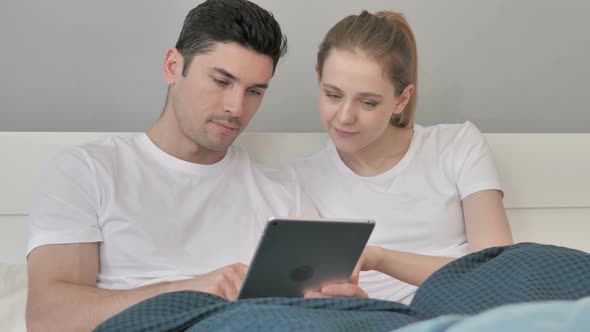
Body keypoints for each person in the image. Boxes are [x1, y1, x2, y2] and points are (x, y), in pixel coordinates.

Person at [25, 0, 316, 330]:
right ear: (173, 67)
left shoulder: (284, 194)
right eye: (221, 81)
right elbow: (48, 318)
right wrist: (189, 291)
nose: (236, 107)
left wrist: (335, 302)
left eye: (254, 91)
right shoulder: (87, 172)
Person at [295, 10, 513, 303]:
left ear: (402, 99)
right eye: (333, 95)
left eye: (368, 102)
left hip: (465, 308)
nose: (345, 117)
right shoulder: (301, 181)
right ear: (318, 79)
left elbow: (499, 268)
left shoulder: (458, 145)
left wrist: (379, 258)